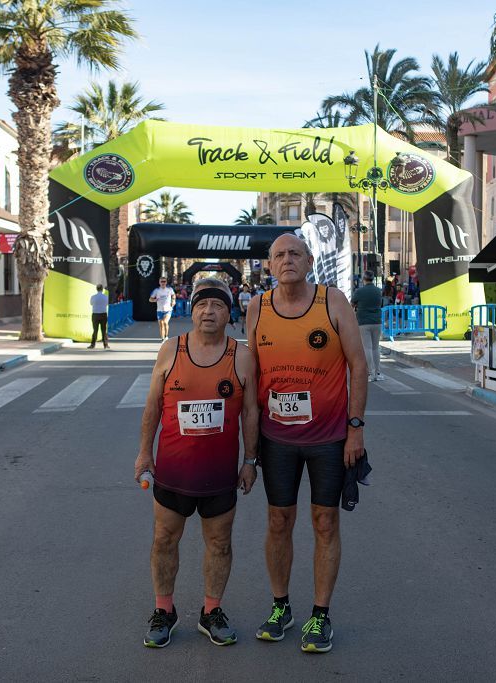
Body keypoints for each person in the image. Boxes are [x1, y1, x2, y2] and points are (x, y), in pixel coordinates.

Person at [245, 233, 367, 654]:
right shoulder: (257, 307)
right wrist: (249, 445)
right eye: (279, 254)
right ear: (269, 264)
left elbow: (358, 364)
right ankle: (281, 607)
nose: (287, 260)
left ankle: (320, 615)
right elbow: (253, 375)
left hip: (329, 438)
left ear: (310, 260)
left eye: (295, 253)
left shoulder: (332, 302)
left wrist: (356, 428)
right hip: (276, 439)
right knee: (278, 522)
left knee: (325, 522)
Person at [135, 277, 260, 649]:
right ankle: (164, 610)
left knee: (220, 543)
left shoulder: (241, 356)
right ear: (192, 309)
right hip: (173, 470)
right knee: (163, 540)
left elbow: (250, 413)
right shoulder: (170, 350)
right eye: (203, 304)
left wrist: (250, 460)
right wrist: (144, 451)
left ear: (228, 312)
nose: (210, 311)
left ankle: (211, 612)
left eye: (218, 305)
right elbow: (153, 406)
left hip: (220, 475)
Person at [351, 270, 384, 382]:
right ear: (373, 279)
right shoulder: (378, 291)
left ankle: (370, 373)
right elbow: (381, 304)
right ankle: (378, 373)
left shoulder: (359, 291)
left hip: (363, 322)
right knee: (376, 347)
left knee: (367, 348)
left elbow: (352, 304)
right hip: (377, 321)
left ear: (363, 279)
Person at [88, 283, 110, 349]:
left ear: (96, 289)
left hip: (95, 314)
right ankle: (105, 344)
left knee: (95, 330)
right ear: (102, 289)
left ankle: (93, 344)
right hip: (103, 314)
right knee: (103, 330)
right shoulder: (105, 297)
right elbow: (106, 304)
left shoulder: (93, 297)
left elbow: (91, 304)